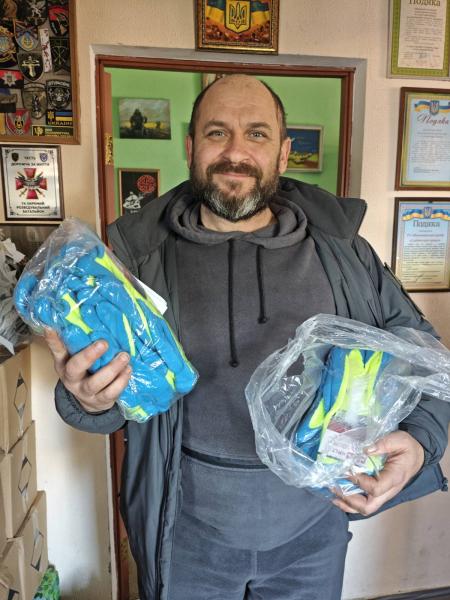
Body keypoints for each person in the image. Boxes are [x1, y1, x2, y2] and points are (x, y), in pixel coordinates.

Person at [44, 75, 449, 600]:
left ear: (283, 153)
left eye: (256, 134)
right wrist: (86, 399)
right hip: (183, 537)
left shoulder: (345, 252)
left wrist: (420, 442)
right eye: (217, 133)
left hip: (314, 534)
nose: (235, 153)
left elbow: (426, 358)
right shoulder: (137, 260)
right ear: (191, 147)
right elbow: (105, 399)